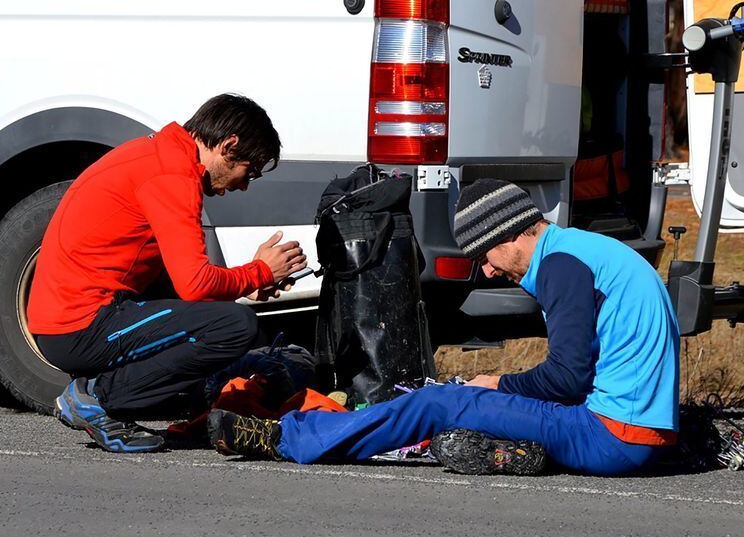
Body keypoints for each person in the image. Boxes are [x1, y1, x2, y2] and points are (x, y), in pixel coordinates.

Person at [208, 179, 679, 476]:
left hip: (612, 437)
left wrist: (496, 383)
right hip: (642, 433)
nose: (489, 272)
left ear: (511, 234)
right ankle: (506, 449)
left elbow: (566, 379)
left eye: (484, 257)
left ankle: (285, 438)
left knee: (440, 400)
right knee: (467, 401)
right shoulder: (587, 251)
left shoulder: (560, 265)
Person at [29, 94, 307, 453]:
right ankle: (94, 397)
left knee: (219, 317)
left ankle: (113, 390)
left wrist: (246, 283)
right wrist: (258, 273)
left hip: (73, 318)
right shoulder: (173, 176)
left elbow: (185, 276)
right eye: (249, 171)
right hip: (80, 326)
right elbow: (194, 286)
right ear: (229, 146)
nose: (243, 185)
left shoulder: (161, 155)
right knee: (236, 326)